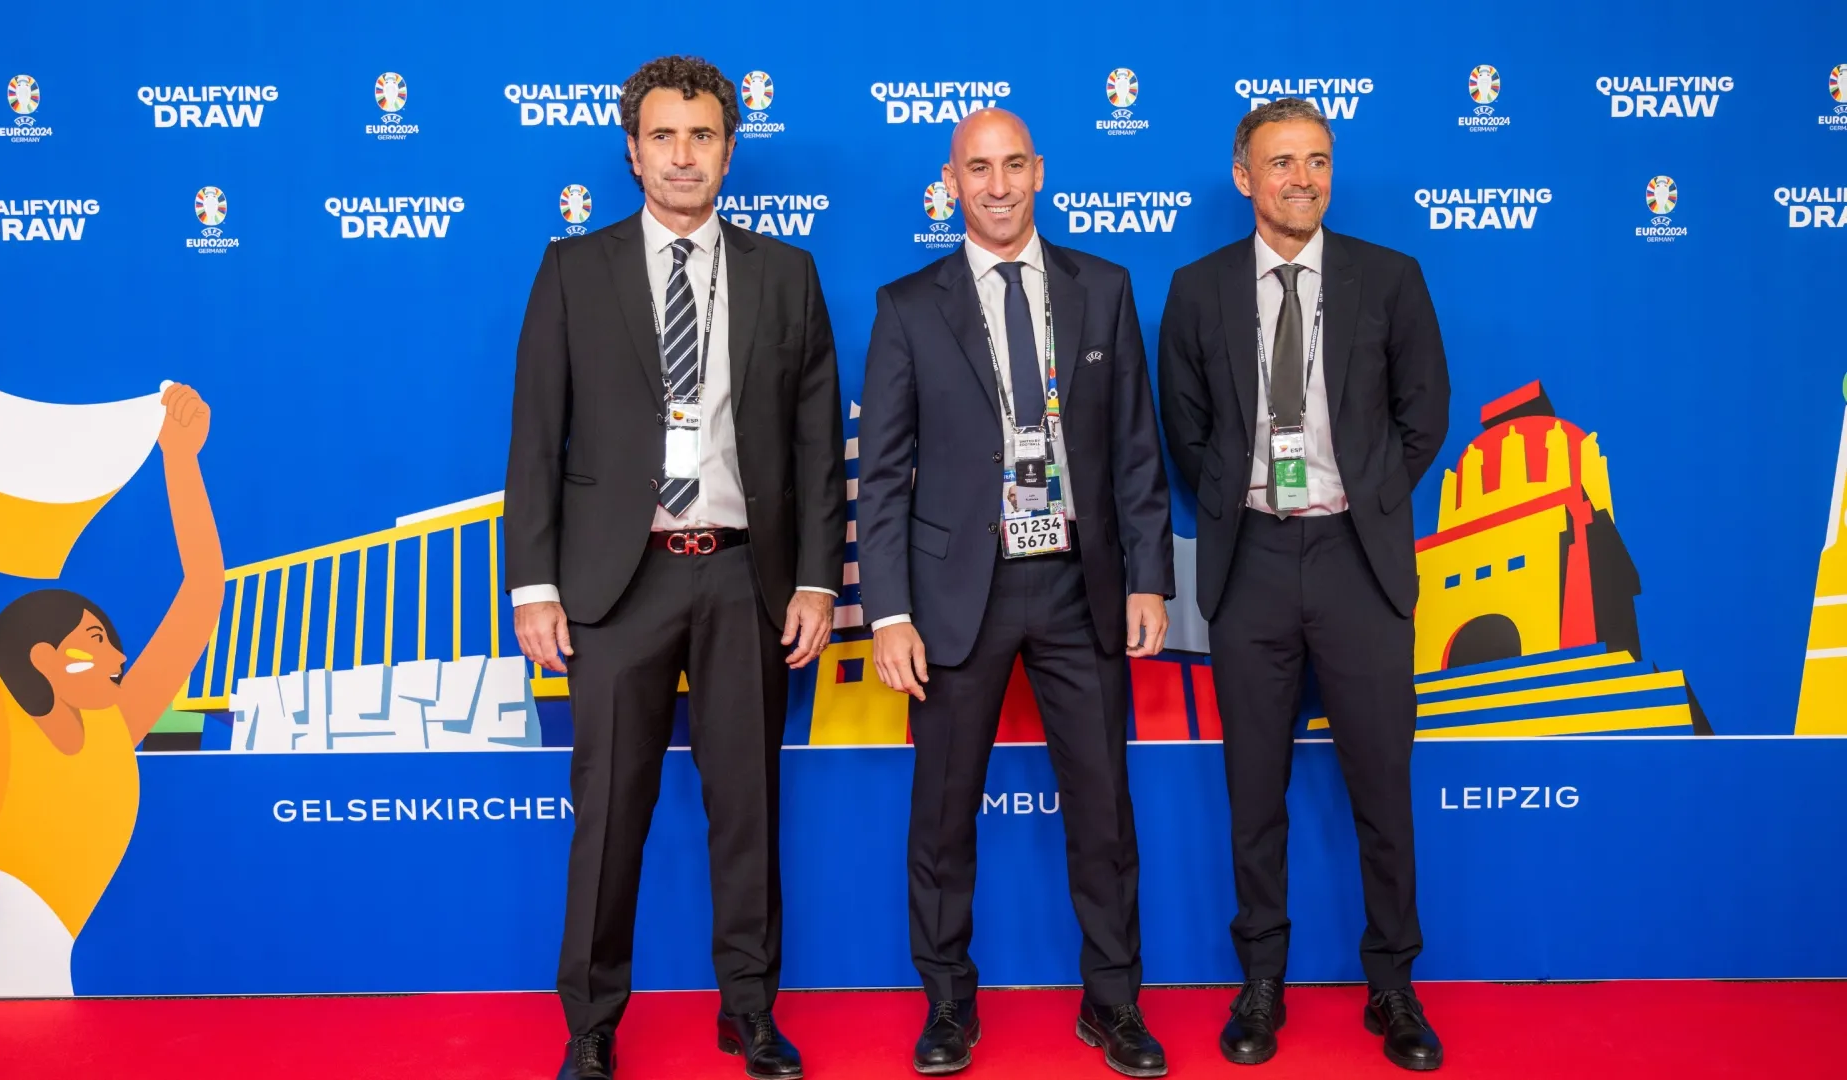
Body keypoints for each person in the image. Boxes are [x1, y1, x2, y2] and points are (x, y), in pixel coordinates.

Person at [502, 55, 845, 1080]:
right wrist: (534, 583)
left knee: (748, 811)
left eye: (702, 136)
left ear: (729, 152)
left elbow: (817, 447)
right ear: (633, 151)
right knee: (610, 813)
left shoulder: (787, 274)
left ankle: (750, 1012)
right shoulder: (575, 270)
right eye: (663, 136)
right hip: (619, 586)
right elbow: (536, 437)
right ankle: (591, 1025)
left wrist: (818, 580)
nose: (683, 155)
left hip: (746, 580)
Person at [858, 108, 1174, 1079]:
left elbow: (1135, 449)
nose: (996, 185)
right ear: (951, 181)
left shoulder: (1103, 288)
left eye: (1012, 165)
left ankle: (1113, 1003)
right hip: (960, 594)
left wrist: (1150, 578)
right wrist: (890, 612)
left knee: (1104, 810)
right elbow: (883, 477)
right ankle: (948, 1005)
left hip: (1082, 585)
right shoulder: (908, 306)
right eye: (977, 168)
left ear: (1039, 171)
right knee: (942, 815)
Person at [1156, 98, 1451, 1071]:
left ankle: (1393, 985)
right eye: (1281, 162)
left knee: (1383, 787)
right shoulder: (1198, 289)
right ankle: (1261, 983)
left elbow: (1424, 412)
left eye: (1317, 160)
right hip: (1250, 564)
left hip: (1358, 561)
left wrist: (1367, 496)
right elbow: (1187, 429)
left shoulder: (1390, 278)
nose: (1302, 179)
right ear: (1244, 177)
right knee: (1255, 790)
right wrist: (1244, 508)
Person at [0, 355, 223, 996]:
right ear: (41, 657)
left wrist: (181, 460)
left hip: (48, 984)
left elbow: (203, 592)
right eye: (95, 642)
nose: (118, 659)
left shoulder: (114, 728)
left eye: (113, 645)